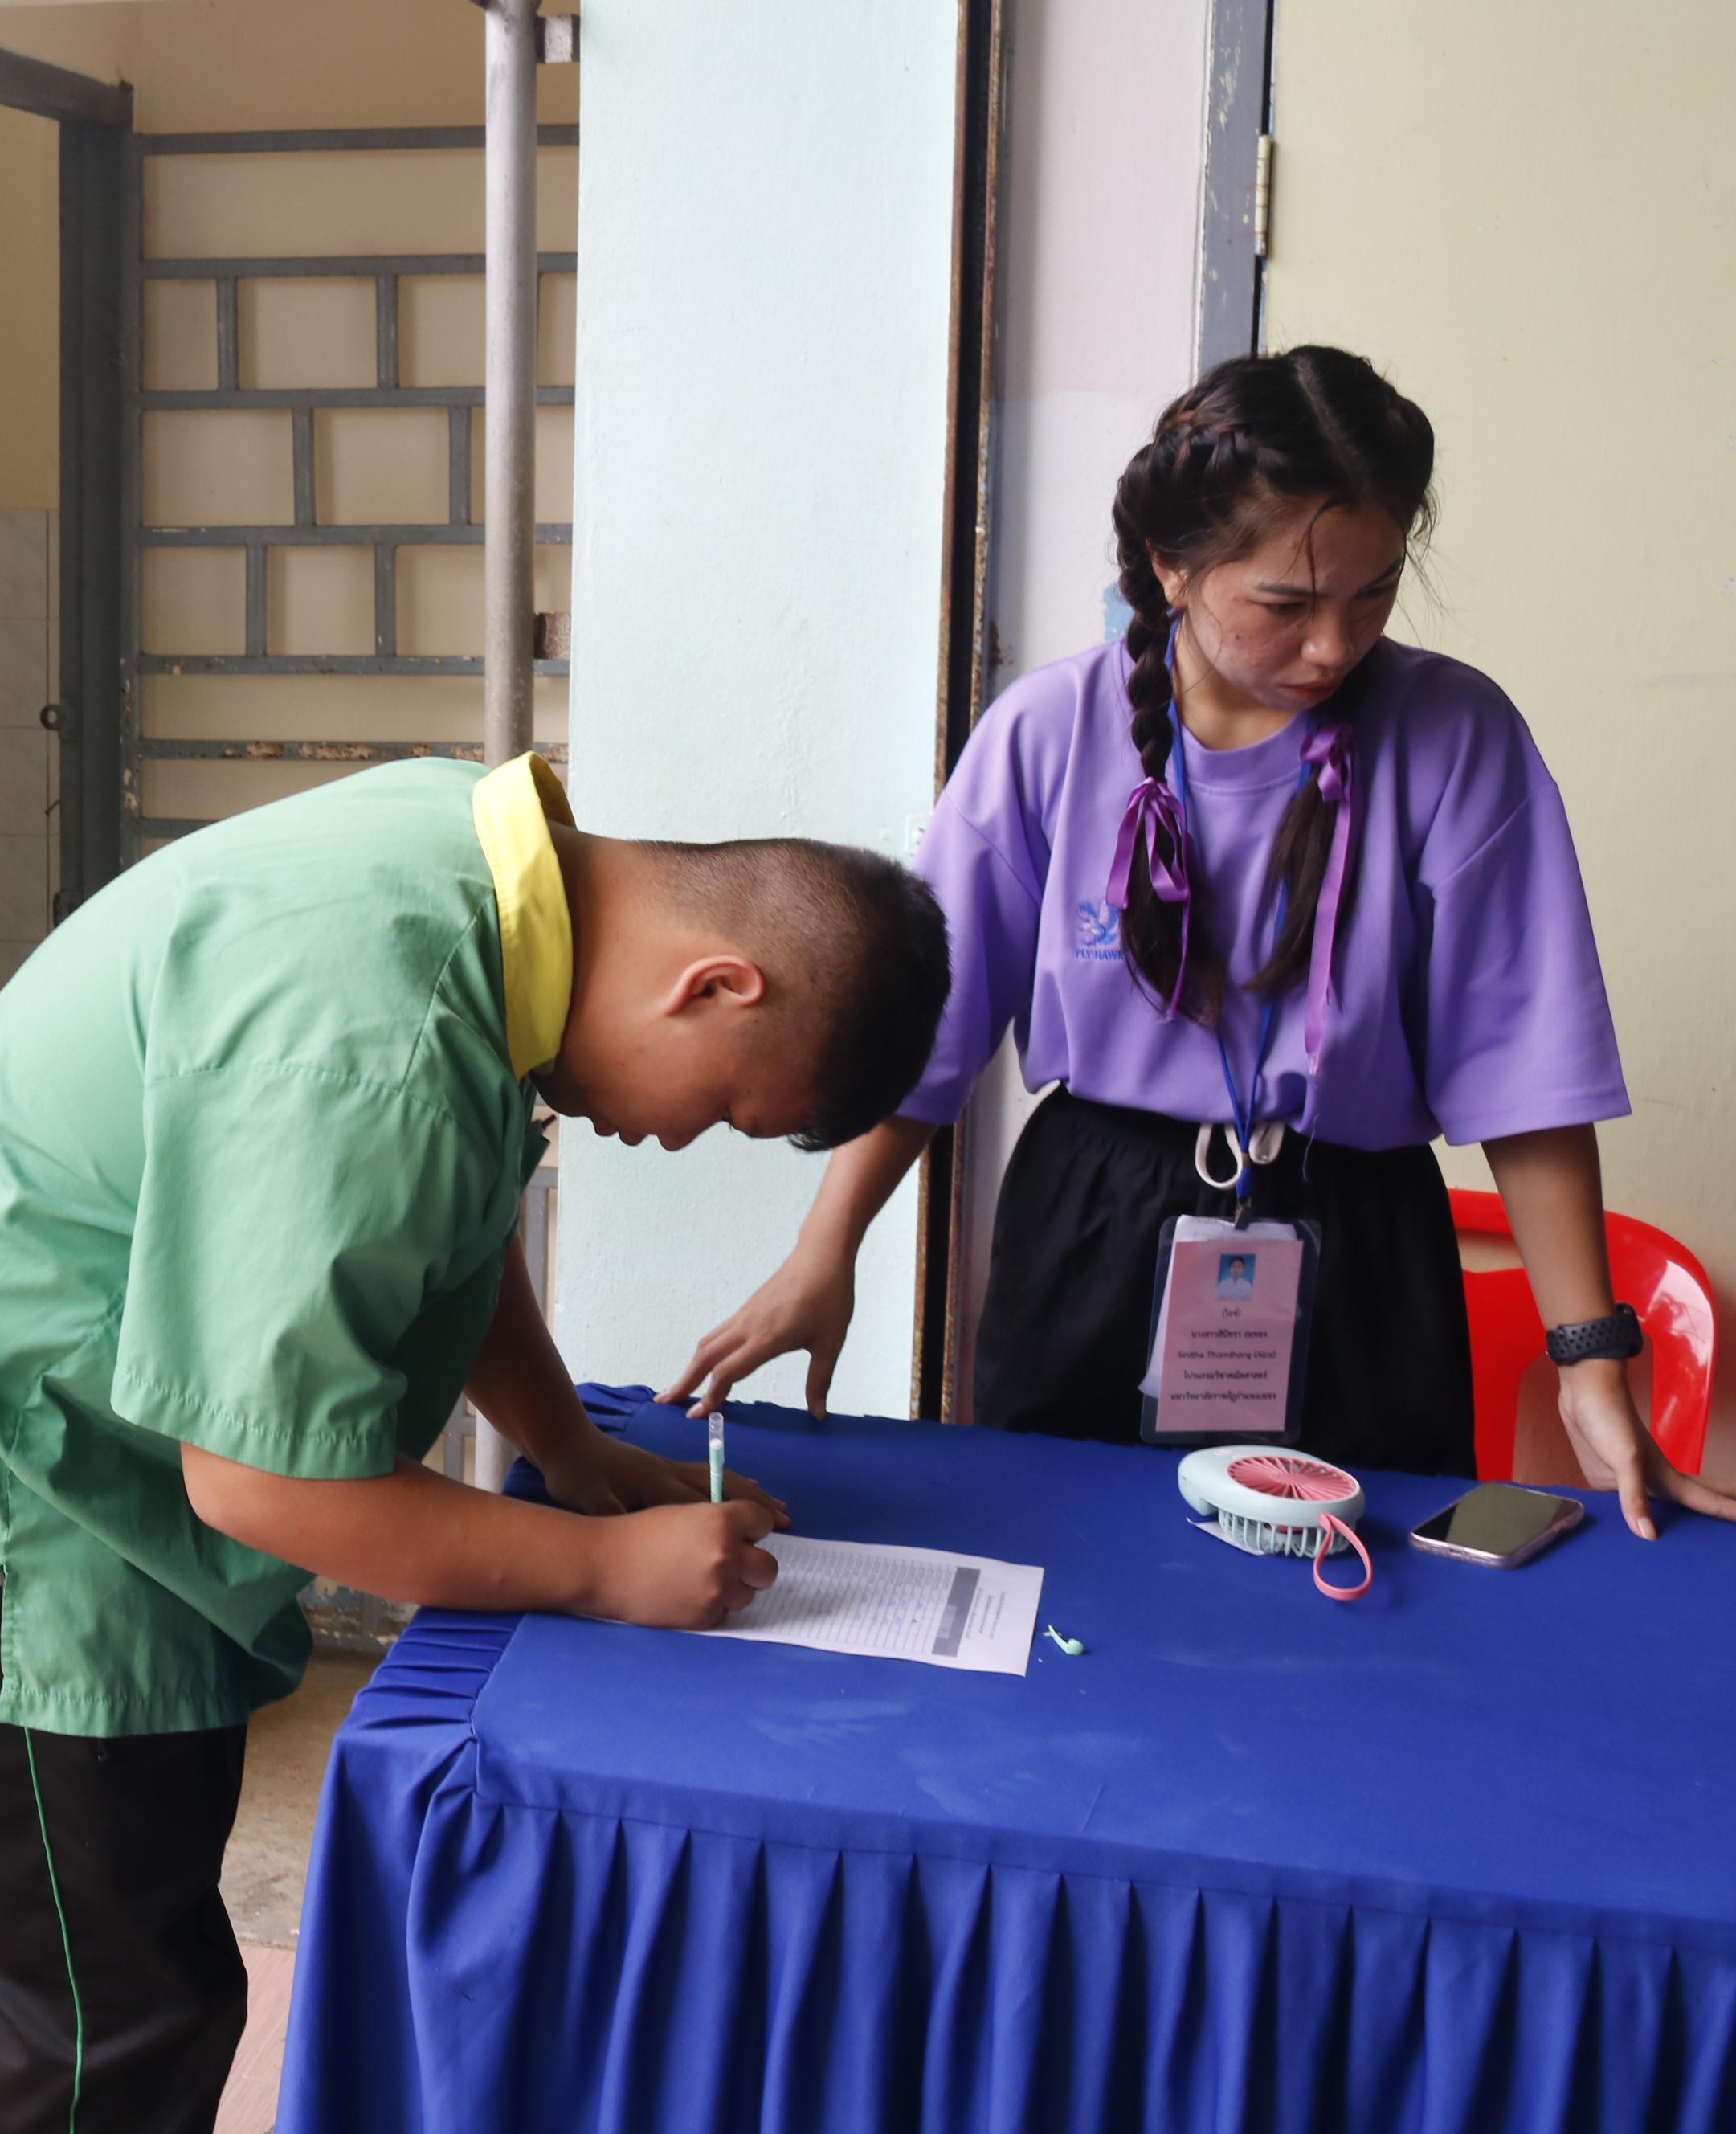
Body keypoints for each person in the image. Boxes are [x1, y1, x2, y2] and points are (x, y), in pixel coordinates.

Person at [0, 751, 953, 2132]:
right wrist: (603, 1570)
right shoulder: (370, 1022)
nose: (673, 1140)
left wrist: (563, 1443)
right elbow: (260, 1477)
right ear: (714, 984)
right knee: (109, 2025)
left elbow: (440, 1209)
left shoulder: (486, 871)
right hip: (6, 1516)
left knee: (148, 1979)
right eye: (728, 1109)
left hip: (71, 1460)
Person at [673, 345, 1733, 1537]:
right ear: (1172, 566)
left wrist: (1590, 1361)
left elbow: (1526, 1068)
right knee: (1064, 1580)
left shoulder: (1457, 739)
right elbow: (931, 1033)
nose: (1336, 646)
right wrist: (828, 1251)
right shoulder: (1047, 736)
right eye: (1286, 603)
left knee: (1359, 1598)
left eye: (1375, 593)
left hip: (1365, 1247)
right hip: (1096, 1226)